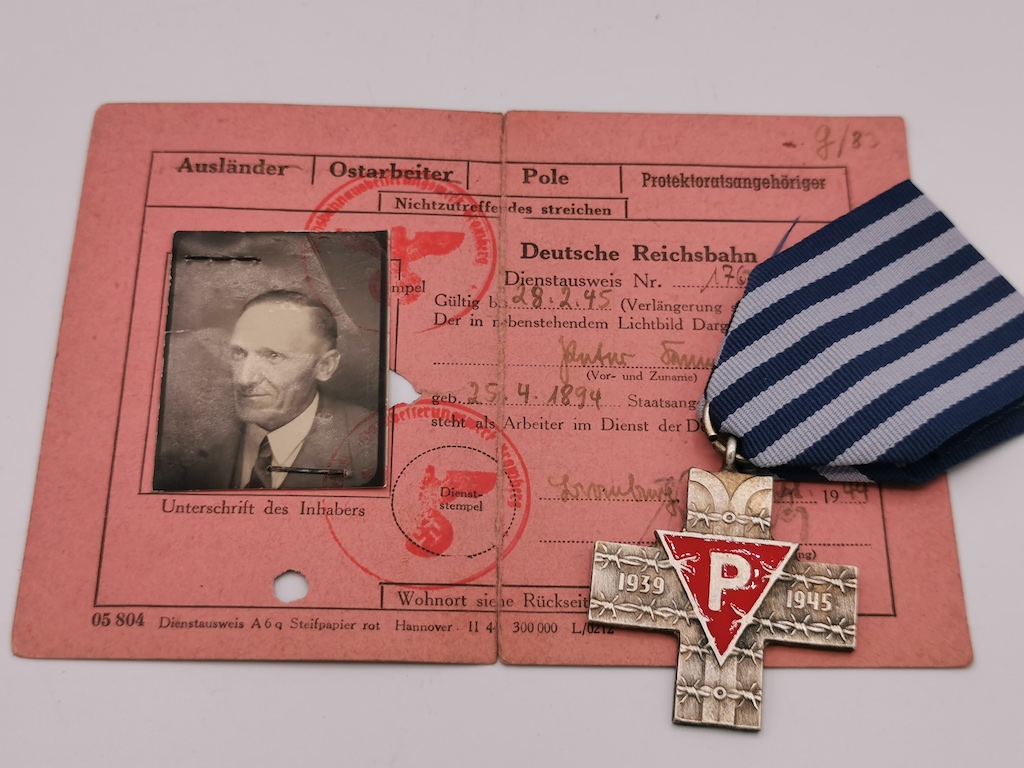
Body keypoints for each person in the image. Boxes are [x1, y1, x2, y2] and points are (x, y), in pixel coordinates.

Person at [226, 290, 379, 489]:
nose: (244, 379)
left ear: (325, 366)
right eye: (239, 353)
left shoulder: (372, 444)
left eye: (273, 355)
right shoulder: (195, 435)